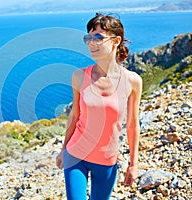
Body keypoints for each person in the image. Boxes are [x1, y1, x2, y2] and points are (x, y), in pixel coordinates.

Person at [56, 13, 142, 200]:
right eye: (88, 37)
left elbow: (133, 125)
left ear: (115, 41)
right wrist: (63, 149)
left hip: (107, 160)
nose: (91, 43)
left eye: (98, 37)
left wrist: (134, 164)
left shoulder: (132, 81)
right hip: (76, 155)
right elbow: (75, 116)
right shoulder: (79, 76)